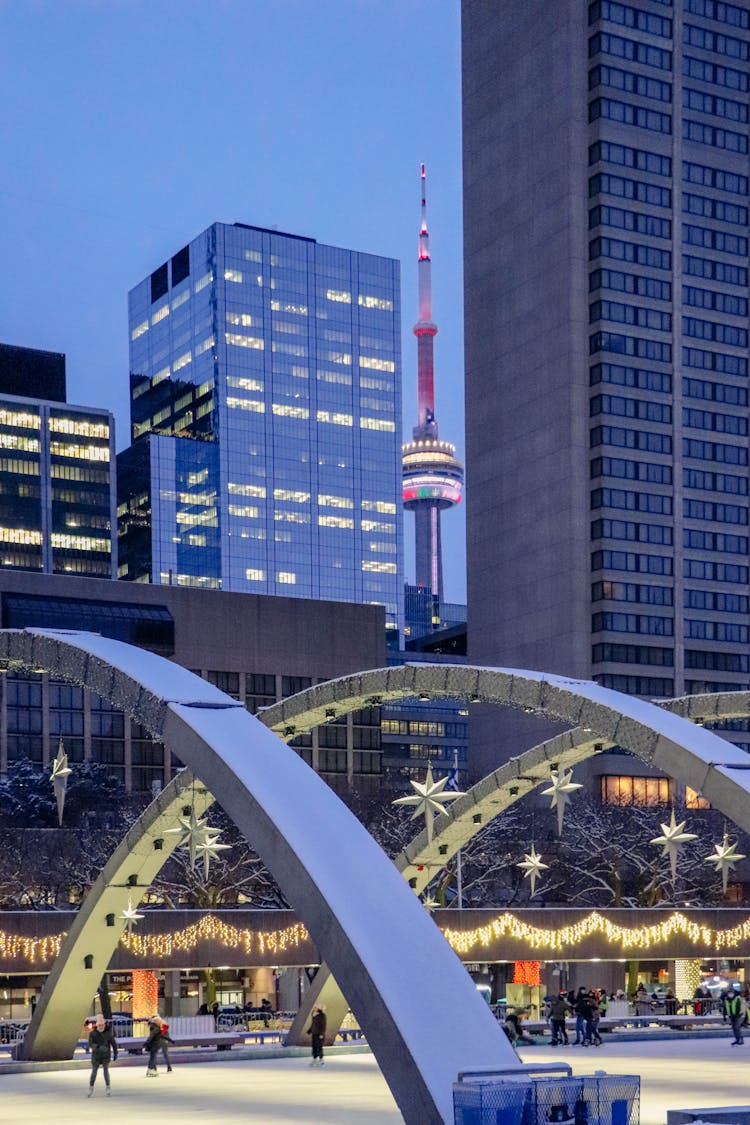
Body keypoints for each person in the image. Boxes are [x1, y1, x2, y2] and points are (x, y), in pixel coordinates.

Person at [87, 1014, 117, 1097]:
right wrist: (98, 1048)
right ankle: (91, 1087)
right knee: (94, 1072)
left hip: (105, 1056)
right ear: (97, 1025)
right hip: (96, 1056)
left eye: (102, 1025)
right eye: (99, 1025)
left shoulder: (108, 1033)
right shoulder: (93, 1033)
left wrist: (115, 1053)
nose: (101, 1026)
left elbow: (113, 1043)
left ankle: (108, 1087)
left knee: (105, 1071)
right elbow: (90, 1044)